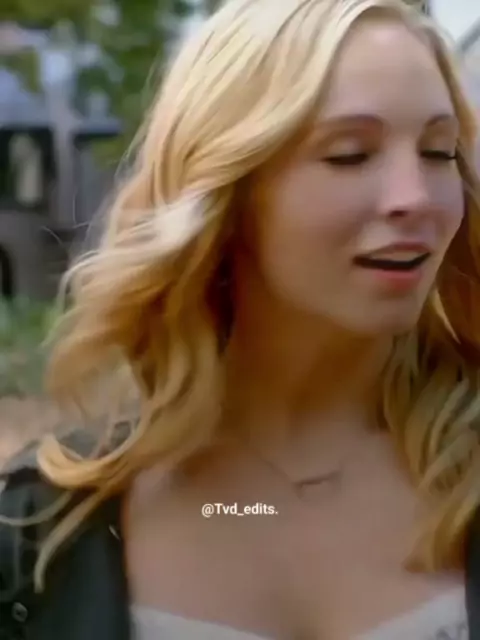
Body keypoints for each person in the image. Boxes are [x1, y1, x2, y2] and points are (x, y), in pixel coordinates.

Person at [2, 0, 480, 638]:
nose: (416, 198)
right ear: (227, 189)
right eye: (349, 155)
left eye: (439, 152)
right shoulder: (41, 531)